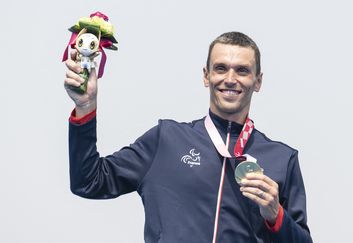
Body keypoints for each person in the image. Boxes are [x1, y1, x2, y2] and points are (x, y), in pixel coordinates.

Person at [64, 31, 313, 243]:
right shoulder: (167, 139)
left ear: (257, 81)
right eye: (221, 68)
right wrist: (86, 107)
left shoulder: (282, 159)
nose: (230, 79)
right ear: (206, 76)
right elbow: (88, 181)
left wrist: (275, 215)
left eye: (242, 71)